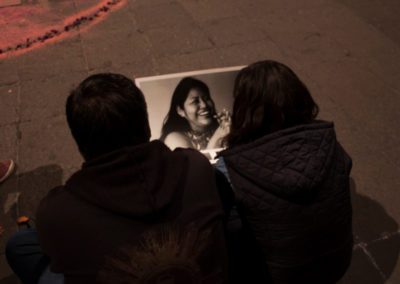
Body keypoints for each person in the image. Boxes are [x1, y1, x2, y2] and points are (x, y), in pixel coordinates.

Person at [6, 74, 230, 284]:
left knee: (19, 245)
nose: (204, 105)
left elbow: (57, 255)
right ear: (146, 126)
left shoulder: (56, 212)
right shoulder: (196, 167)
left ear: (80, 144)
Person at [216, 60, 353, 283]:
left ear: (244, 111)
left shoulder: (230, 169)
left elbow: (231, 233)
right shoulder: (330, 144)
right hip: (337, 263)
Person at [160, 77, 230, 151]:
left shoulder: (223, 129)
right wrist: (218, 137)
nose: (204, 105)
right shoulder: (174, 139)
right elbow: (201, 163)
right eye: (195, 101)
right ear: (180, 111)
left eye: (206, 98)